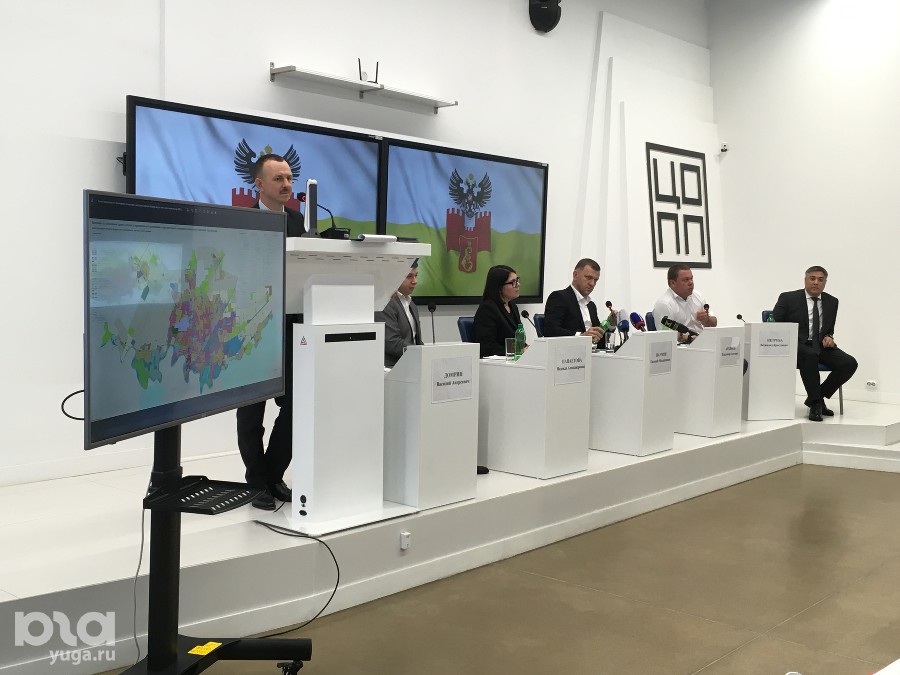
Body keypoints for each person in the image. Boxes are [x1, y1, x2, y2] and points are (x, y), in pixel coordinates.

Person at [236, 154, 302, 509]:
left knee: (295, 406)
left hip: (290, 329)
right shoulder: (242, 222)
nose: (287, 184)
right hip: (252, 332)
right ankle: (256, 482)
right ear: (259, 184)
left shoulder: (298, 221)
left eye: (289, 178)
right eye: (278, 179)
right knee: (251, 413)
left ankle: (273, 475)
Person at [772, 265, 857, 422]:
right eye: (812, 279)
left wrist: (829, 337)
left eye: (820, 280)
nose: (816, 282)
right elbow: (774, 324)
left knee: (849, 363)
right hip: (795, 345)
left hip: (820, 346)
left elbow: (828, 328)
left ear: (825, 283)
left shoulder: (832, 301)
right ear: (805, 280)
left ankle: (816, 397)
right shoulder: (788, 298)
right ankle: (817, 404)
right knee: (810, 355)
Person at [543, 258, 614, 347]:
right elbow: (550, 331)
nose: (592, 283)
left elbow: (599, 341)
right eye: (588, 277)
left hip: (592, 353)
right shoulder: (559, 297)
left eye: (595, 280)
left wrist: (610, 325)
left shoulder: (591, 306)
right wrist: (581, 337)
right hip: (568, 352)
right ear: (575, 275)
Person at [652, 263, 717, 343]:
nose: (691, 282)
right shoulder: (664, 304)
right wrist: (690, 338)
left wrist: (707, 319)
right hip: (681, 347)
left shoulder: (698, 296)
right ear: (672, 283)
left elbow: (714, 323)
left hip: (702, 343)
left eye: (691, 279)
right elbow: (665, 336)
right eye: (685, 280)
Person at [473, 265, 523, 358]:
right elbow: (487, 347)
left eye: (517, 280)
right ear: (499, 287)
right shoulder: (487, 309)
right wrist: (517, 351)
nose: (518, 284)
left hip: (512, 359)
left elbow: (518, 338)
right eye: (513, 282)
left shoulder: (513, 306)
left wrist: (526, 348)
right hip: (496, 362)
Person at [382, 260, 424, 367]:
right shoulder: (385, 303)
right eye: (409, 276)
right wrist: (420, 353)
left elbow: (416, 340)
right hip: (393, 367)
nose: (415, 281)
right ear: (396, 277)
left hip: (412, 364)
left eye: (416, 276)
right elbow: (392, 342)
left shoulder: (411, 304)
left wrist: (427, 353)